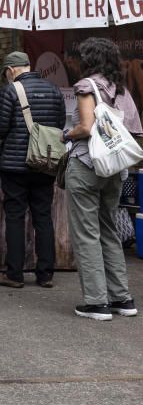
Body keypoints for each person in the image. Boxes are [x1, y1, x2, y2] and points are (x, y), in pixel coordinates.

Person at [63, 37, 140, 321]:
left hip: (86, 165)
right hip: (114, 170)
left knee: (86, 233)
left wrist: (65, 135)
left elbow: (85, 126)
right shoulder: (122, 90)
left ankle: (96, 303)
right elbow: (136, 133)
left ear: (89, 60)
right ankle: (122, 298)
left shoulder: (87, 86)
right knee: (108, 231)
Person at [0, 52, 65, 289]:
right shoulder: (54, 90)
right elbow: (60, 124)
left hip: (15, 165)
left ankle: (14, 274)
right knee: (43, 216)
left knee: (15, 217)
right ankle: (45, 274)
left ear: (11, 69)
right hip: (45, 162)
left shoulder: (10, 91)